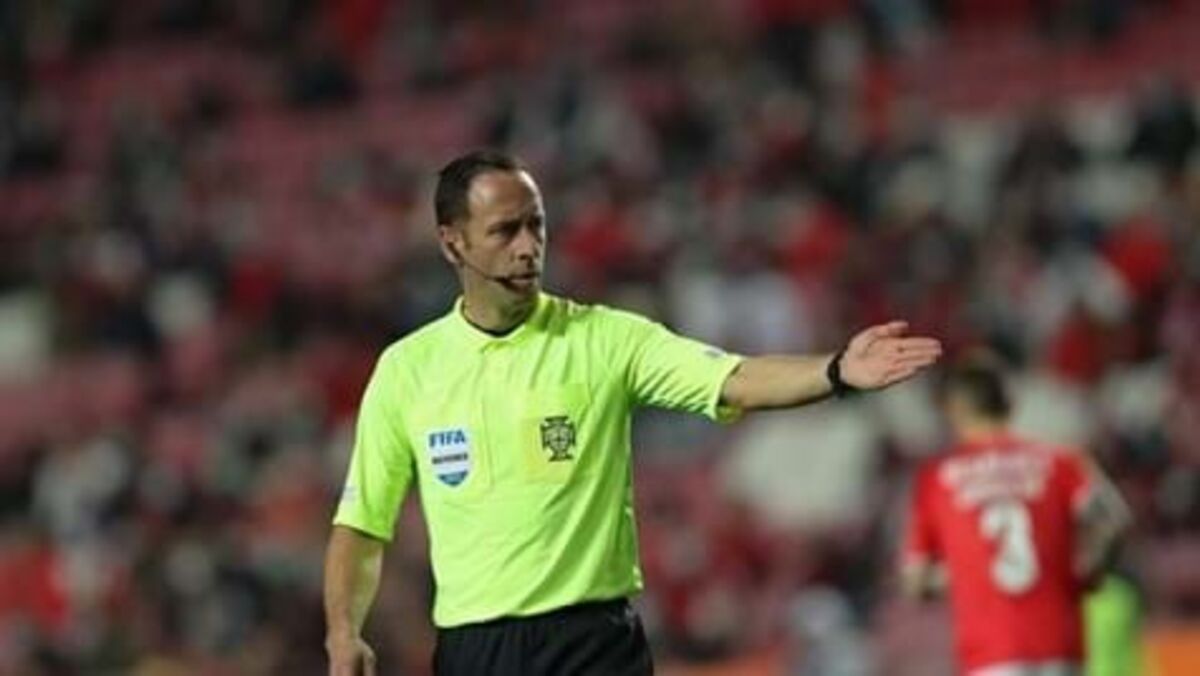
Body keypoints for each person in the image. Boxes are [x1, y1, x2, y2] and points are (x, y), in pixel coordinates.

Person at [323, 149, 943, 676]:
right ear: (452, 242)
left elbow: (732, 378)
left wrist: (835, 370)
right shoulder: (407, 370)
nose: (528, 247)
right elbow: (362, 524)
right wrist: (343, 631)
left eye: (537, 226)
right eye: (505, 231)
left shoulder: (605, 339)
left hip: (594, 642)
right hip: (477, 650)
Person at [899, 352, 1132, 676]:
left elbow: (915, 580)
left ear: (952, 410)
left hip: (990, 653)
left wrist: (968, 572)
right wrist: (1089, 572)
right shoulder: (1059, 461)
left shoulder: (937, 478)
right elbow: (1116, 519)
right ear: (1009, 403)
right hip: (1059, 645)